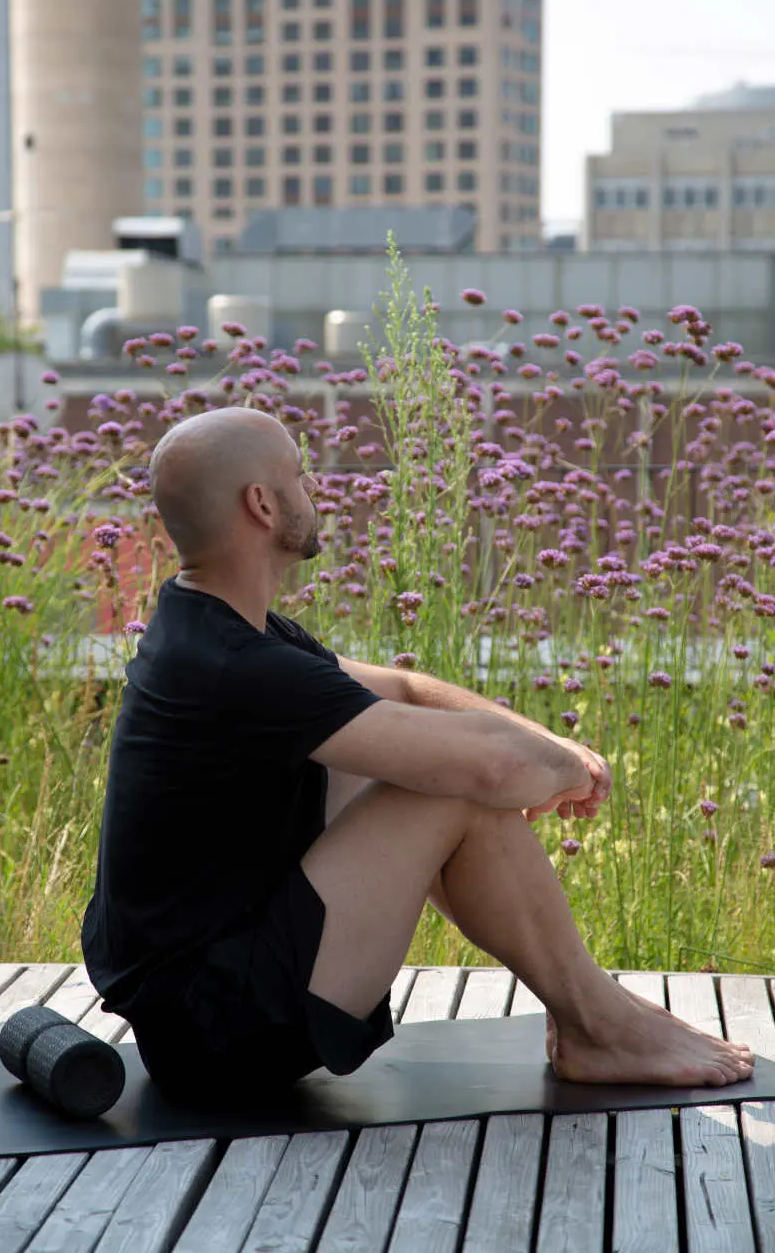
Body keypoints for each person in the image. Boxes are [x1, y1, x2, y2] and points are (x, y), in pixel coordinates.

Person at [81, 405, 754, 1105]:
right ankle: (601, 1024)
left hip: (206, 1010)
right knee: (452, 785)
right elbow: (491, 768)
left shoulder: (219, 632)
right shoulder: (232, 664)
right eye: (301, 476)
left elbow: (403, 689)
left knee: (414, 759)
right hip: (219, 1030)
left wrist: (552, 746)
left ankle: (595, 1016)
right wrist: (565, 771)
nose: (315, 490)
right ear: (262, 504)